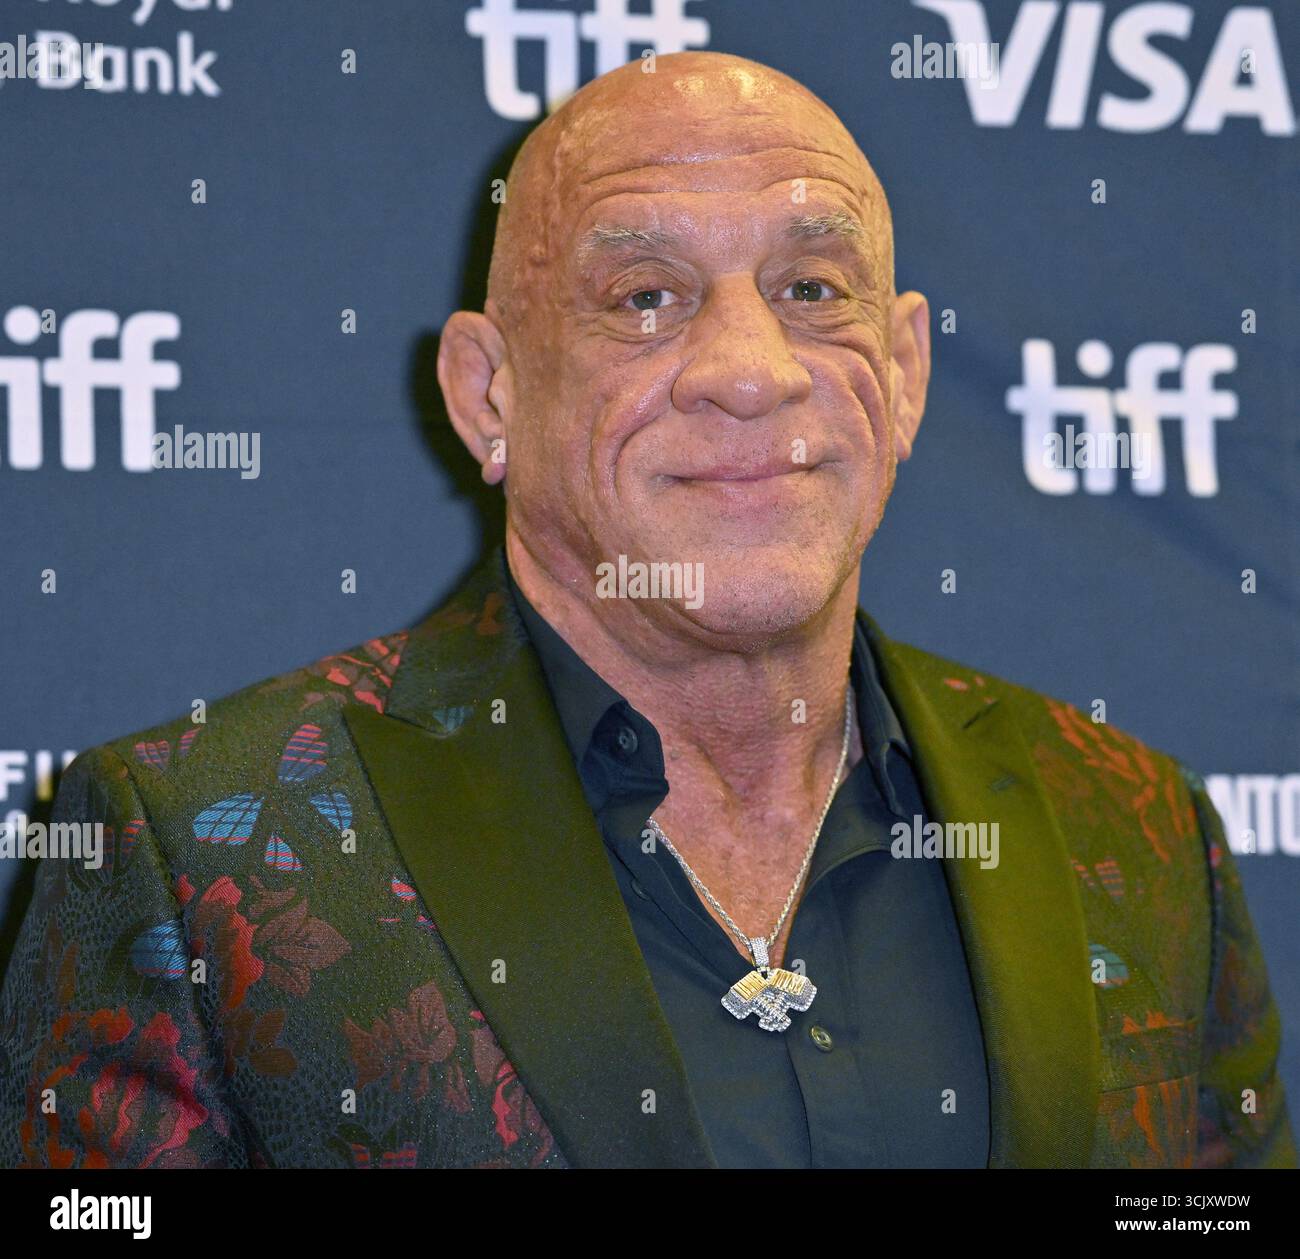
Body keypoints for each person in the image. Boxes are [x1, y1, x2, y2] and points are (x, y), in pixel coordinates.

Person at [1, 51, 1292, 1169]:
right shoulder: (199, 845)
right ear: (488, 395)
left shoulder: (1132, 825)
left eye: (810, 289)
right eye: (645, 299)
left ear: (901, 377)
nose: (748, 371)